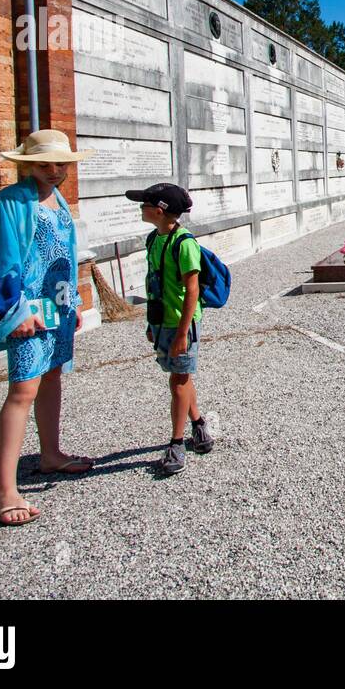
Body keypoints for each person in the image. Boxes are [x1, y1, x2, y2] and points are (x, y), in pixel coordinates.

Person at [0, 129, 95, 526]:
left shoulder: (57, 199)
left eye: (61, 164)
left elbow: (66, 253)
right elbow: (3, 258)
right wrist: (14, 311)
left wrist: (74, 300)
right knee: (21, 390)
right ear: (27, 164)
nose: (55, 170)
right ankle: (3, 493)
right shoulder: (12, 201)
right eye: (45, 164)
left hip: (57, 307)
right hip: (27, 308)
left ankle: (50, 453)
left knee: (53, 378)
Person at [125, 183, 214, 475]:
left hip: (181, 324)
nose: (141, 208)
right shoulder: (153, 239)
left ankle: (176, 444)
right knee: (181, 377)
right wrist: (152, 324)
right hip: (163, 321)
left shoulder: (184, 243)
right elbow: (154, 284)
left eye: (145, 204)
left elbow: (191, 291)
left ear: (160, 210)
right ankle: (199, 426)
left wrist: (181, 334)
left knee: (178, 380)